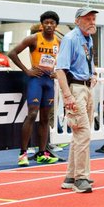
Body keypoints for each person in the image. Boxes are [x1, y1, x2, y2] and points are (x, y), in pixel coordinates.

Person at [9, 12, 63, 166]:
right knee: (32, 114)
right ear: (41, 24)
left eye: (52, 23)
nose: (49, 25)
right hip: (36, 80)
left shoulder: (58, 42)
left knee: (45, 118)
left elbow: (64, 60)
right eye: (46, 22)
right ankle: (23, 153)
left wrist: (56, 71)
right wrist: (27, 70)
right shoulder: (33, 38)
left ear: (56, 25)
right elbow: (12, 53)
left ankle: (42, 152)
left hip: (49, 82)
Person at [54, 8, 98, 193]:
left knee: (79, 133)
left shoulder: (88, 38)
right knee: (83, 133)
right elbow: (60, 69)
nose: (92, 22)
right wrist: (67, 95)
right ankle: (81, 178)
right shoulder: (71, 39)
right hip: (76, 88)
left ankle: (71, 176)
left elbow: (88, 60)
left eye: (93, 18)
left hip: (86, 87)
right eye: (88, 19)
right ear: (77, 20)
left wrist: (93, 73)